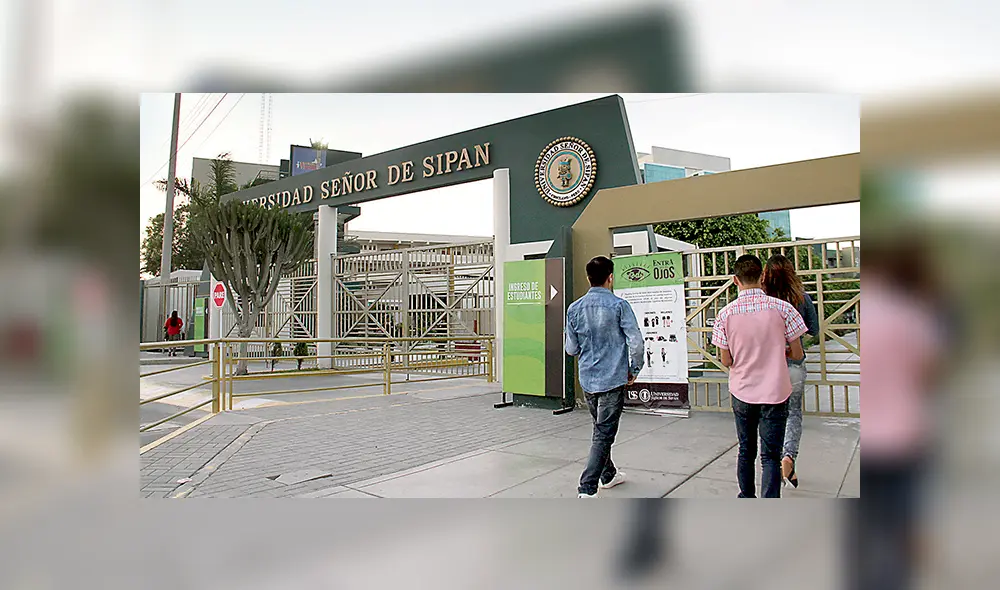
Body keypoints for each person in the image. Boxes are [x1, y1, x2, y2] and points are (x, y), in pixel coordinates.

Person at [711, 255, 807, 498]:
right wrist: (780, 350)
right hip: (775, 392)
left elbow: (726, 360)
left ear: (735, 280)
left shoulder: (725, 314)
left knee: (746, 450)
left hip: (742, 391)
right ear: (762, 276)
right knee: (771, 455)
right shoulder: (784, 309)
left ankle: (746, 497)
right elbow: (797, 354)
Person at [565, 256, 644, 498]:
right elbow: (636, 343)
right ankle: (587, 488)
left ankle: (608, 475)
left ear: (588, 278)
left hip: (588, 379)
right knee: (603, 433)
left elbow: (571, 349)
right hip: (613, 378)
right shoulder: (620, 306)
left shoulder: (574, 308)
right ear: (611, 277)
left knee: (600, 430)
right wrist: (634, 369)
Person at [761, 254, 820, 488]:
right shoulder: (801, 297)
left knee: (769, 414)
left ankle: (772, 460)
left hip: (768, 364)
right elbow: (814, 329)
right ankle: (788, 456)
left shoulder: (763, 299)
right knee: (793, 412)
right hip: (794, 363)